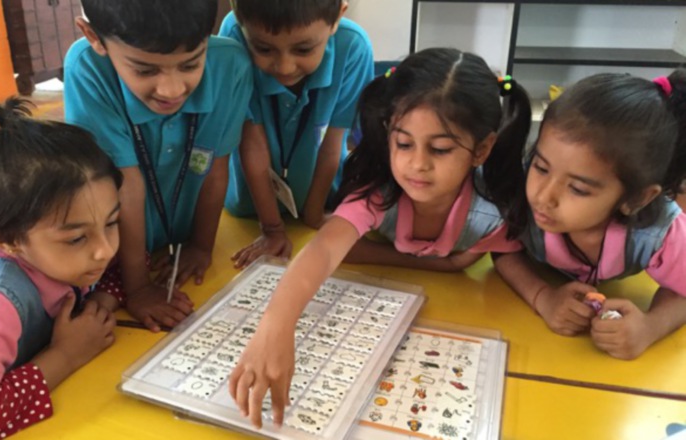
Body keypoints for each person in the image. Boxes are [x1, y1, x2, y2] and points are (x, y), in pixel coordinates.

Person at [228, 48, 532, 428]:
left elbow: (508, 255)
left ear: (482, 149)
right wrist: (276, 324)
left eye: (439, 149)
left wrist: (544, 297)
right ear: (389, 131)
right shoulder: (379, 194)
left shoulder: (492, 209)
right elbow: (325, 249)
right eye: (403, 144)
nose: (417, 164)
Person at [0, 99, 120, 439]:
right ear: (8, 239)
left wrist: (101, 306)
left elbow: (116, 271)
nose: (104, 250)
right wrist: (66, 354)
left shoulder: (53, 251)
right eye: (77, 238)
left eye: (112, 223)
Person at [64, 0, 253, 331]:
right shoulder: (87, 69)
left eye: (191, 64)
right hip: (116, 250)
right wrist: (137, 288)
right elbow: (126, 184)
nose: (172, 89)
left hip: (180, 238)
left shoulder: (231, 66)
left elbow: (215, 167)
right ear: (93, 35)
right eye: (145, 70)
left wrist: (201, 246)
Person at [493, 72, 686, 360]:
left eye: (578, 188)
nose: (544, 196)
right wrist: (543, 297)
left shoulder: (658, 230)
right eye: (541, 167)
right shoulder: (518, 191)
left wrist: (651, 326)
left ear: (636, 198)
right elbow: (502, 250)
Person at [219, 0, 374, 268]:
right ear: (240, 19)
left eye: (303, 49)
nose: (285, 67)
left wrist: (314, 215)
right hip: (249, 206)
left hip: (322, 198)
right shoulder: (234, 38)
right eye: (264, 48)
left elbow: (332, 144)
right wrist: (272, 228)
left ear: (337, 16)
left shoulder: (353, 48)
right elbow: (252, 144)